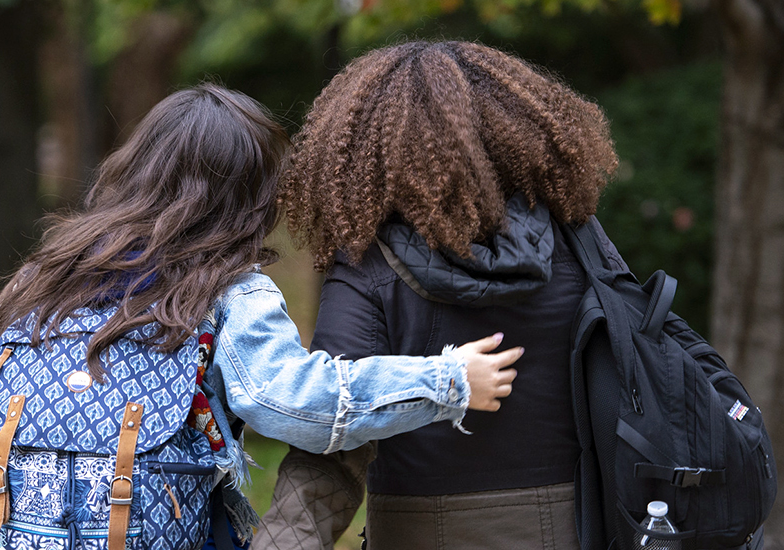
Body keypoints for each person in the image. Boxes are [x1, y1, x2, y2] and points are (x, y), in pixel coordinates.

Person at [0, 84, 523, 550]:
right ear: (251, 196)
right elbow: (298, 403)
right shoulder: (226, 290)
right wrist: (445, 382)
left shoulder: (43, 277)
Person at [257, 41, 620, 550]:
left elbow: (334, 436)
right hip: (577, 527)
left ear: (363, 154)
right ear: (515, 132)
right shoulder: (581, 246)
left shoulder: (367, 268)